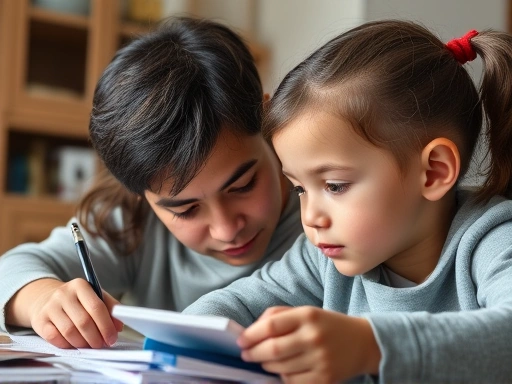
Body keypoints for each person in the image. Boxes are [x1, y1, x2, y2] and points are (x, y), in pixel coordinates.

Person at [183, 20, 512, 383]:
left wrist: (370, 347)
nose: (311, 218)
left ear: (433, 172)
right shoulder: (322, 260)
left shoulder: (493, 240)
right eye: (299, 189)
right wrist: (186, 335)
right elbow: (237, 304)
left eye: (335, 186)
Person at [0, 17, 303, 350]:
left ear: (267, 114)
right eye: (186, 210)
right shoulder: (130, 222)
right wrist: (43, 299)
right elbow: (10, 270)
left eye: (243, 186)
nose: (226, 229)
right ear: (141, 195)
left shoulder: (329, 213)